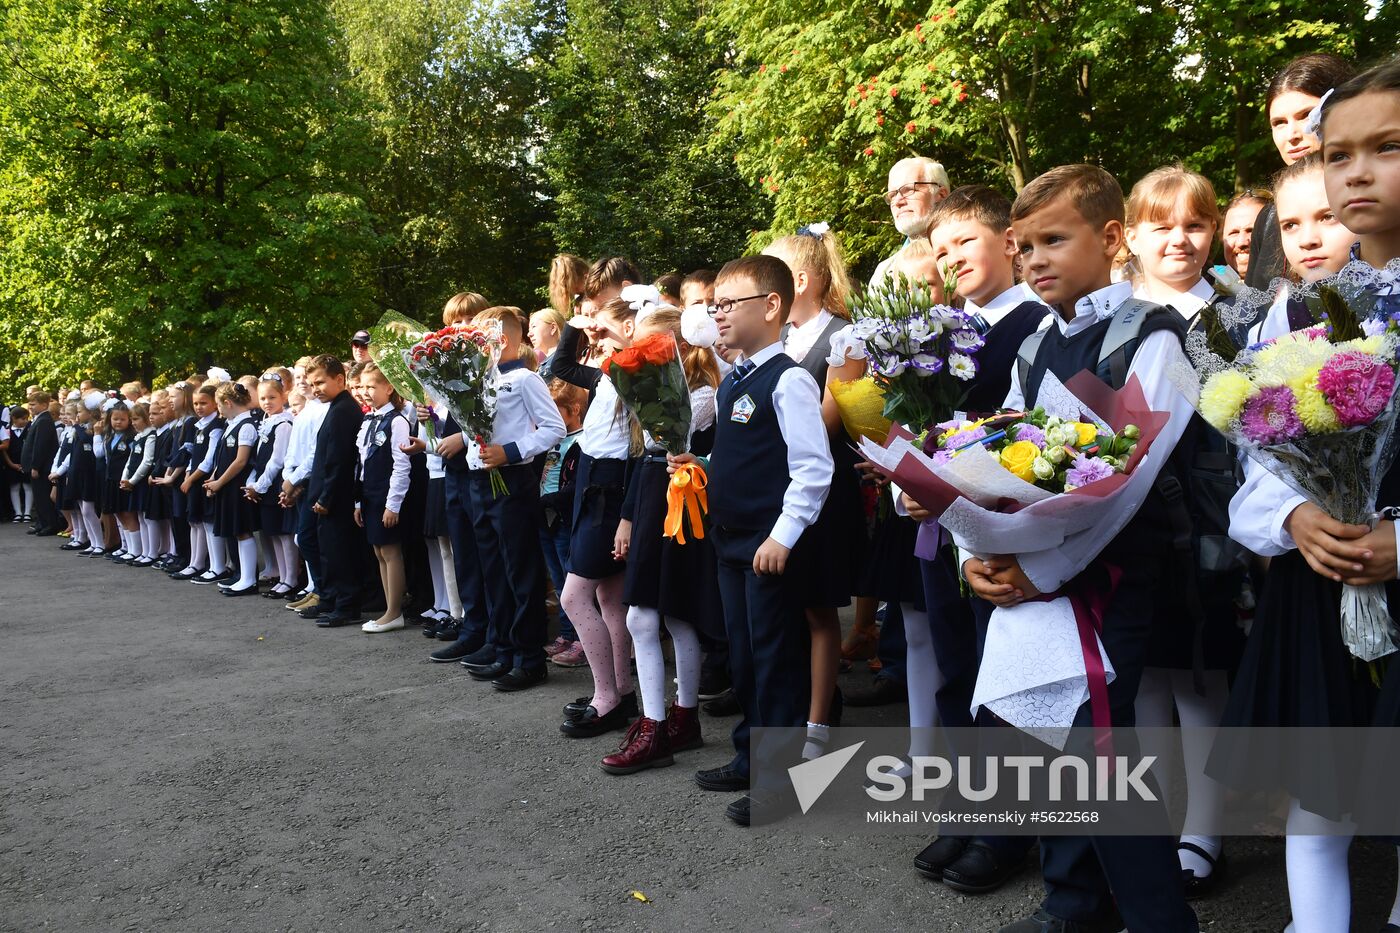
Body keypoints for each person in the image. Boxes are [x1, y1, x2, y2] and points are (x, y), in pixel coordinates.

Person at [960, 164, 1198, 933]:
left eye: (1053, 240)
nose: (1034, 260)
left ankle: (1159, 917)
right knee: (1041, 724)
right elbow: (1001, 461)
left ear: (1112, 237)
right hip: (1038, 570)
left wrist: (1042, 568)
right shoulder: (1032, 346)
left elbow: (1130, 484)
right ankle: (1074, 901)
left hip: (1112, 573)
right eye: (1023, 246)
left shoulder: (1150, 336)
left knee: (1097, 741)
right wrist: (977, 544)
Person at [1215, 56, 1400, 933]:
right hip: (1320, 588)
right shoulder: (1295, 314)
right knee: (1320, 798)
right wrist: (1294, 514)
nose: (1356, 171)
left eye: (1388, 147)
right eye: (1338, 153)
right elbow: (1259, 460)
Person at [895, 184, 1052, 892]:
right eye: (939, 247)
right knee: (959, 669)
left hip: (1000, 527)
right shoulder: (944, 329)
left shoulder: (1034, 325)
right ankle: (969, 805)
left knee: (1003, 678)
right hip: (943, 530)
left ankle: (1009, 828)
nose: (949, 255)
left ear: (1010, 241)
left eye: (964, 240)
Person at [1123, 163, 1253, 898]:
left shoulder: (1236, 310)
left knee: (1202, 675)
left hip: (1210, 521)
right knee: (1143, 674)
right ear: (1131, 234)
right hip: (1128, 519)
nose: (1180, 238)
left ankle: (1204, 830)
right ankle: (1153, 819)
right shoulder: (1114, 311)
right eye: (1162, 225)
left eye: (1195, 224)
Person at [676, 254, 833, 827]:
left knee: (774, 665)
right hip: (730, 543)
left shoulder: (789, 378)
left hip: (767, 547)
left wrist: (784, 536)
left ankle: (784, 781)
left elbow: (812, 468)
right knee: (743, 659)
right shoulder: (737, 376)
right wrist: (704, 462)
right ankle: (750, 758)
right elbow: (749, 455)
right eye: (712, 304)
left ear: (771, 307)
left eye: (727, 304)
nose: (715, 314)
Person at [600, 307, 722, 773]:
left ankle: (667, 724)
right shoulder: (651, 397)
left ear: (680, 348)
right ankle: (670, 719)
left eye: (652, 347)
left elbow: (698, 445)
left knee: (671, 614)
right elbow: (641, 460)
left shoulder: (705, 392)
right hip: (654, 497)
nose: (641, 356)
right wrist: (628, 518)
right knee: (645, 617)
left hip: (686, 499)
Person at [763, 225, 861, 758]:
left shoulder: (843, 338)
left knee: (819, 609)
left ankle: (820, 722)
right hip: (774, 489)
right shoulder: (775, 342)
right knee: (784, 607)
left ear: (796, 281)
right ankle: (790, 703)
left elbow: (827, 420)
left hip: (821, 488)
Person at [550, 260, 646, 736]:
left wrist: (627, 515)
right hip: (592, 482)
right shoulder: (611, 369)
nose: (598, 341)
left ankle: (606, 695)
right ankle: (620, 692)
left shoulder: (641, 373)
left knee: (574, 596)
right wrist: (576, 325)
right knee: (609, 597)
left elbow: (638, 452)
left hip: (612, 491)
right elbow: (561, 366)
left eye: (606, 333)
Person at [457, 307, 564, 688]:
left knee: (519, 569)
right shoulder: (475, 381)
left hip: (512, 478)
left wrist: (511, 452)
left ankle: (529, 656)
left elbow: (554, 428)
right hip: (480, 481)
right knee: (493, 570)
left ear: (500, 339)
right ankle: (503, 649)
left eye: (478, 338)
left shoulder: (524, 379)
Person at [1245, 53, 1356, 289]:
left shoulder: (1376, 197)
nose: (1292, 135)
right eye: (1279, 123)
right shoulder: (1268, 219)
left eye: (1306, 115)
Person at [353, 362, 415, 633]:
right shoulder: (369, 419)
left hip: (386, 495)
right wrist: (357, 501)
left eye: (372, 386)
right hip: (369, 494)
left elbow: (402, 465)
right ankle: (389, 609)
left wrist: (393, 504)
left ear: (389, 388)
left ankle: (394, 611)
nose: (366, 392)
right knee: (379, 552)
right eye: (363, 386)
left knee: (390, 552)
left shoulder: (397, 420)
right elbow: (362, 463)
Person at [302, 355, 364, 626]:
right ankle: (330, 599)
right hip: (326, 493)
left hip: (336, 496)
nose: (315, 389)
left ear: (340, 379)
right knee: (327, 550)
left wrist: (326, 497)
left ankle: (346, 606)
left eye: (320, 382)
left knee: (339, 552)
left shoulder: (344, 410)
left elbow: (339, 458)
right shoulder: (335, 407)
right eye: (311, 384)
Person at [539, 378, 587, 666]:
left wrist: (548, 501)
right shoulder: (552, 438)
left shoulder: (582, 441)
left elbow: (576, 487)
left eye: (555, 411)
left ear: (574, 409)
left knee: (572, 582)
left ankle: (582, 639)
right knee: (558, 580)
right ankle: (567, 634)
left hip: (564, 517)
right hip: (546, 517)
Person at [282, 359, 331, 612]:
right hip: (299, 481)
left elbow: (315, 453)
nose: (302, 382)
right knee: (305, 538)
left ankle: (322, 590)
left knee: (310, 538)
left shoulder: (323, 410)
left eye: (306, 377)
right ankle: (317, 589)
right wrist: (288, 477)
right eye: (298, 377)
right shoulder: (306, 410)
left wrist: (295, 480)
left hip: (311, 482)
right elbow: (294, 449)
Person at [245, 371, 299, 599]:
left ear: (283, 397)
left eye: (272, 398)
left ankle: (291, 579)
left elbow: (277, 460)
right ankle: (282, 576)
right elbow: (259, 458)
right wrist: (253, 483)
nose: (267, 403)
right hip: (265, 483)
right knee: (273, 533)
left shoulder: (284, 423)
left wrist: (261, 484)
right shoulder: (267, 421)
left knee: (284, 534)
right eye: (263, 398)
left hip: (276, 483)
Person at [204, 381, 261, 597]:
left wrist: (220, 482)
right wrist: (213, 478)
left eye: (219, 405)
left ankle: (249, 579)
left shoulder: (246, 426)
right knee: (237, 532)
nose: (218, 410)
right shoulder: (233, 424)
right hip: (227, 486)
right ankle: (242, 575)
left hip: (237, 486)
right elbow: (222, 458)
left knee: (243, 531)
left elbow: (240, 461)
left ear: (227, 403)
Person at [871, 156, 952, 284]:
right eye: (892, 195)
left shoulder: (967, 257)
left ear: (941, 195)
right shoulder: (883, 274)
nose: (897, 202)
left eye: (908, 190)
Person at [179, 383, 230, 584]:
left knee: (209, 523)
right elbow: (193, 455)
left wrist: (191, 478)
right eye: (196, 403)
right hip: (194, 480)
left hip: (204, 480)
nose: (199, 407)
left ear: (214, 404)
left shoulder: (215, 426)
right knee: (196, 521)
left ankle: (218, 566)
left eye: (204, 403)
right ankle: (196, 562)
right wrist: (188, 474)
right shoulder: (198, 426)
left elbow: (209, 460)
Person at [23, 392, 59, 537]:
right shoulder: (38, 419)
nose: (30, 407)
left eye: (33, 404)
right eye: (29, 404)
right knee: (38, 496)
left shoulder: (44, 420)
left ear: (44, 405)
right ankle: (41, 522)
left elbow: (40, 446)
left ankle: (49, 524)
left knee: (44, 496)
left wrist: (35, 466)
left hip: (42, 467)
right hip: (37, 467)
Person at [1221, 191, 1270, 280]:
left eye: (1252, 231)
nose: (1241, 242)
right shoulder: (1206, 291)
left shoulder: (1295, 291)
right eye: (1234, 233)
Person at [6, 405, 32, 523]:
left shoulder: (29, 429)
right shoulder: (7, 431)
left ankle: (27, 512)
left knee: (27, 486)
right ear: (14, 419)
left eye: (27, 418)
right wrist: (11, 464)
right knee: (15, 487)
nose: (25, 421)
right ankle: (17, 512)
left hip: (26, 463)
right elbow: (5, 450)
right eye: (23, 419)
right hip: (13, 463)